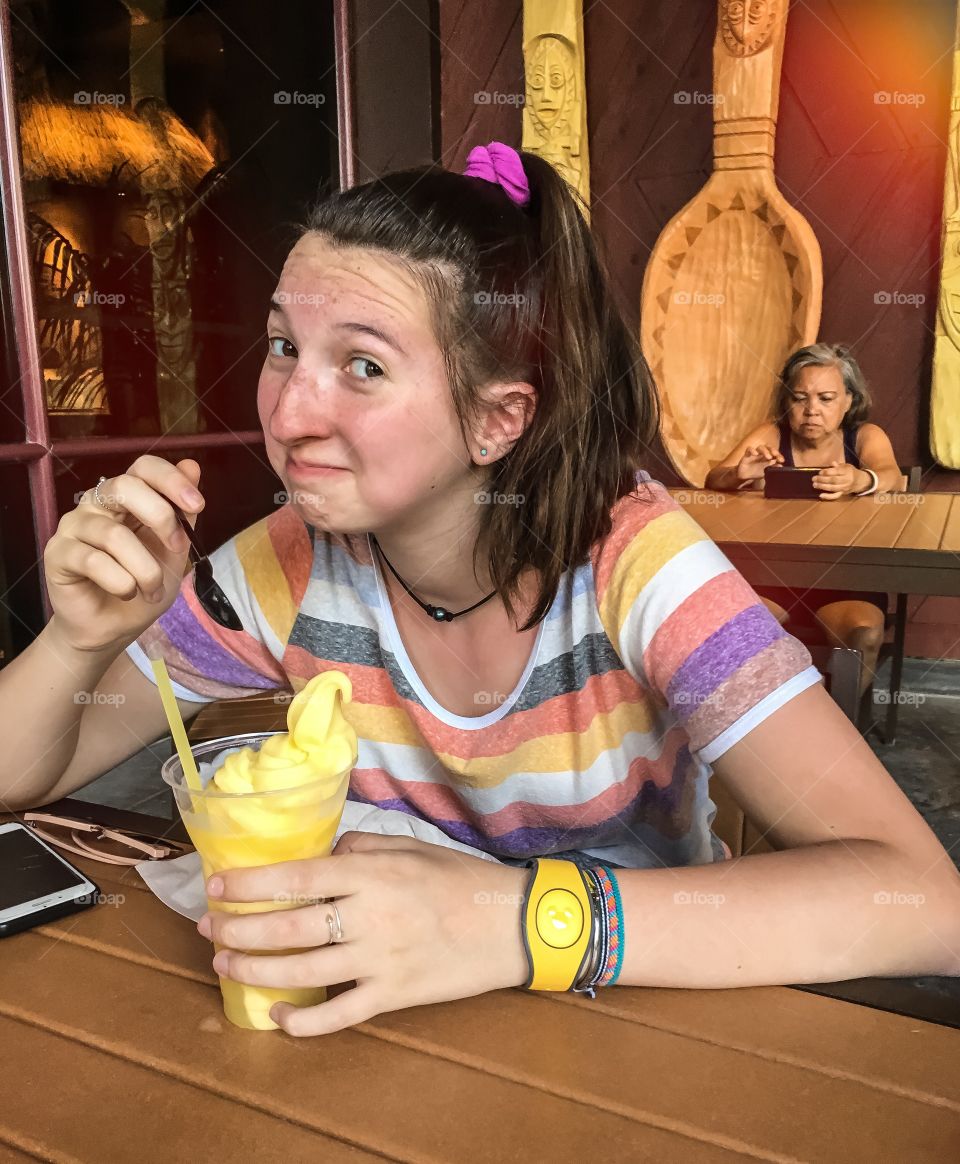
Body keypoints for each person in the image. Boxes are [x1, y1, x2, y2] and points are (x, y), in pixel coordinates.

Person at [3, 145, 957, 1037]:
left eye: (364, 365)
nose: (288, 415)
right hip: (395, 1035)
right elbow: (18, 777)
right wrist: (75, 643)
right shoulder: (283, 567)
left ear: (497, 420)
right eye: (284, 346)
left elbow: (922, 904)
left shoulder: (635, 569)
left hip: (635, 1033)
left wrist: (509, 922)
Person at [705, 344, 904, 694]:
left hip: (846, 578)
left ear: (849, 401)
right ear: (786, 402)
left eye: (826, 398)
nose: (812, 410)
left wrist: (862, 479)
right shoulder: (771, 435)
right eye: (800, 398)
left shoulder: (865, 437)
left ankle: (832, 729)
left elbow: (893, 477)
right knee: (736, 629)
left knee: (865, 633)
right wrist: (739, 474)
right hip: (775, 576)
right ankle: (764, 725)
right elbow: (713, 479)